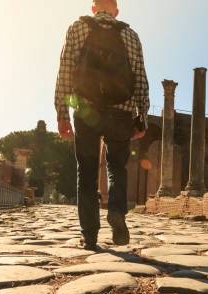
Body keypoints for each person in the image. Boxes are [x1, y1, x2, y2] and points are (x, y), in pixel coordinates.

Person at [55, 0, 149, 250]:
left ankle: (90, 235)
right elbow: (140, 77)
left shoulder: (78, 27)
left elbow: (66, 70)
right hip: (122, 111)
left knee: (85, 171)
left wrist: (62, 113)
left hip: (86, 109)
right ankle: (116, 211)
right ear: (116, 11)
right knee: (117, 167)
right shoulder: (130, 34)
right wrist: (142, 116)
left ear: (93, 8)